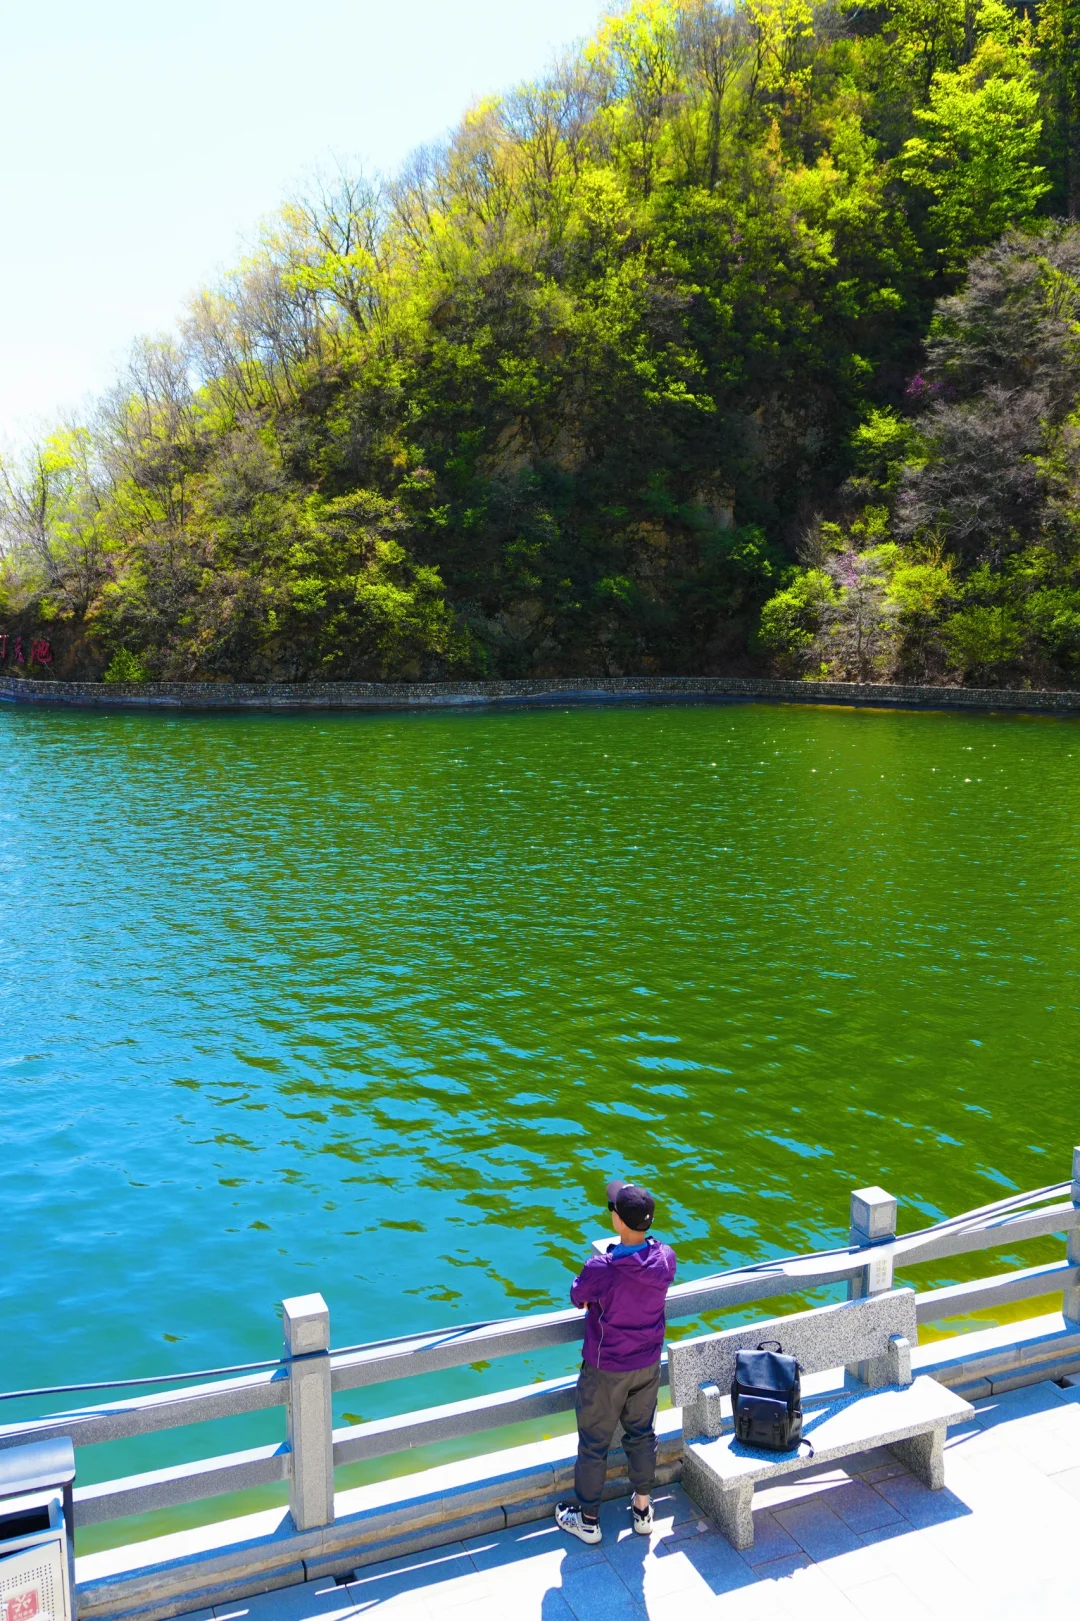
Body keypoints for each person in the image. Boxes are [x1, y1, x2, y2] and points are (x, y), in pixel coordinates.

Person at [555, 1178, 677, 1545]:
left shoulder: (602, 1267)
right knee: (642, 1434)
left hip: (606, 1368)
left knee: (594, 1442)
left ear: (618, 1221)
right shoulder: (665, 1258)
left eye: (612, 1208)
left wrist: (603, 1272)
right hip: (647, 1363)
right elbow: (643, 1269)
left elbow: (578, 1294)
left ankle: (588, 1520)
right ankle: (642, 1509)